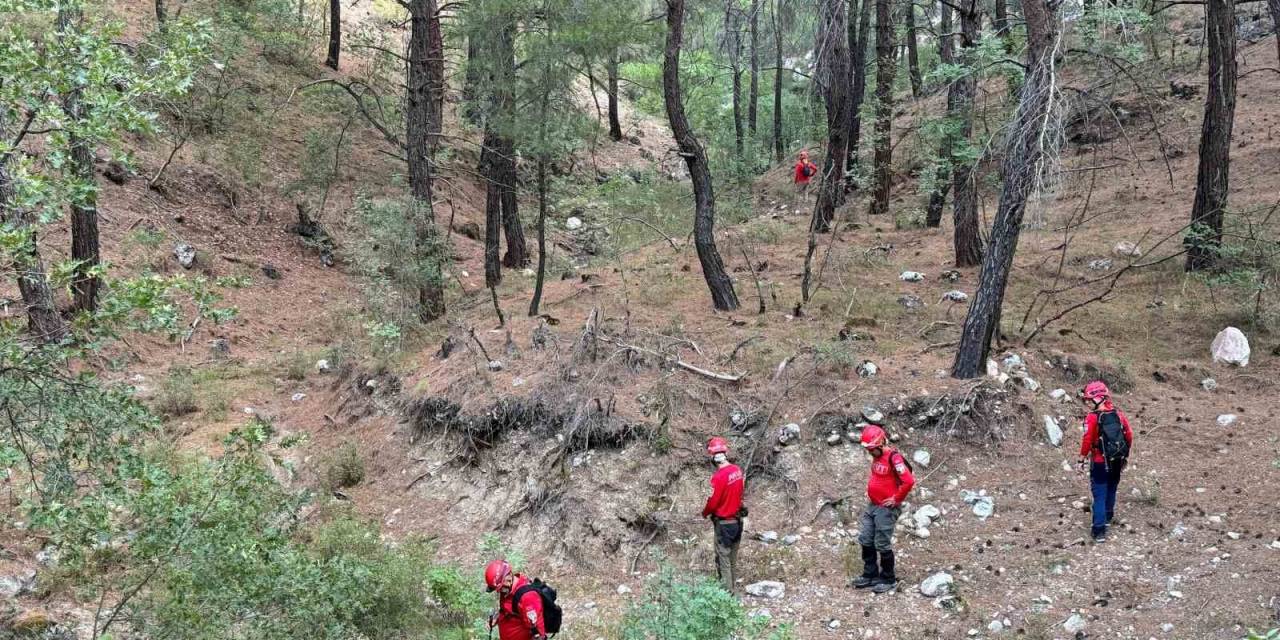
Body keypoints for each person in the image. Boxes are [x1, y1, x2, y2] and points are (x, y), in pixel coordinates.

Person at [852, 412, 914, 594]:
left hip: (886, 509)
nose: (869, 452)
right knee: (865, 538)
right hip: (873, 505)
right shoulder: (877, 457)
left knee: (882, 543)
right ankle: (870, 574)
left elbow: (908, 481)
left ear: (880, 444)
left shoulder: (894, 457)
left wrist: (896, 499)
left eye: (871, 449)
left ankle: (888, 578)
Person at [1077, 381, 1133, 543]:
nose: (1087, 403)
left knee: (1099, 494)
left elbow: (1087, 440)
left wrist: (1081, 459)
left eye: (1089, 399)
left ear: (1098, 398)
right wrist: (1125, 456)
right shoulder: (1119, 415)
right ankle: (1108, 516)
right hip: (1117, 460)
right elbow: (1129, 435)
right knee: (1112, 488)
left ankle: (1099, 530)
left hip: (1100, 462)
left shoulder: (1092, 418)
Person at [701, 436, 745, 593]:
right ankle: (733, 589)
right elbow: (740, 495)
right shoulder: (737, 471)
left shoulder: (718, 477)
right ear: (725, 453)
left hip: (724, 524)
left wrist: (705, 513)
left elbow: (713, 502)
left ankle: (727, 596)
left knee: (723, 559)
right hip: (738, 522)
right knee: (732, 558)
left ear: (713, 456)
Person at [485, 559, 548, 640]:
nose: (499, 591)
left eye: (500, 588)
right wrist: (497, 618)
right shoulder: (507, 590)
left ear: (508, 578)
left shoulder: (528, 597)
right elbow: (509, 610)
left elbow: (539, 633)